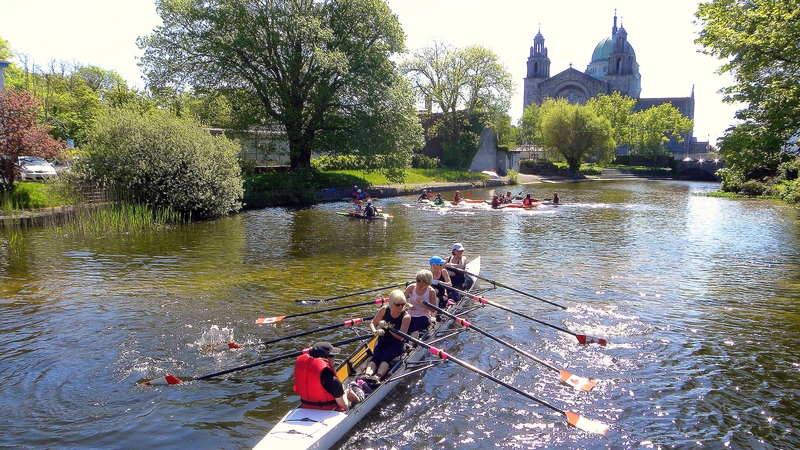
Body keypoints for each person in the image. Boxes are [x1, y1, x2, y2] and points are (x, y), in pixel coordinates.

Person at [294, 342, 363, 411]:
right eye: (332, 355)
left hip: (306, 408)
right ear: (325, 358)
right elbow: (344, 406)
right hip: (330, 412)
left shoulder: (302, 375)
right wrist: (347, 392)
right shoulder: (333, 380)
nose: (335, 357)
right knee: (358, 392)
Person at [363, 290, 411, 381]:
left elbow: (401, 337)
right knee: (376, 357)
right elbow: (373, 323)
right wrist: (376, 331)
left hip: (397, 343)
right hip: (383, 340)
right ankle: (367, 376)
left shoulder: (406, 317)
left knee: (385, 357)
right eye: (398, 304)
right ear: (392, 303)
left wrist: (387, 327)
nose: (401, 306)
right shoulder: (384, 310)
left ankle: (378, 377)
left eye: (403, 304)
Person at [403, 269, 438, 338]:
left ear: (425, 282)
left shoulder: (431, 291)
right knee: (405, 325)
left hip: (423, 316)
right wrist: (408, 305)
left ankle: (410, 346)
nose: (416, 281)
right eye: (416, 279)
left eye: (418, 280)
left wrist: (424, 303)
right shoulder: (411, 287)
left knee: (416, 327)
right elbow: (400, 300)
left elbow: (434, 309)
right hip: (410, 314)